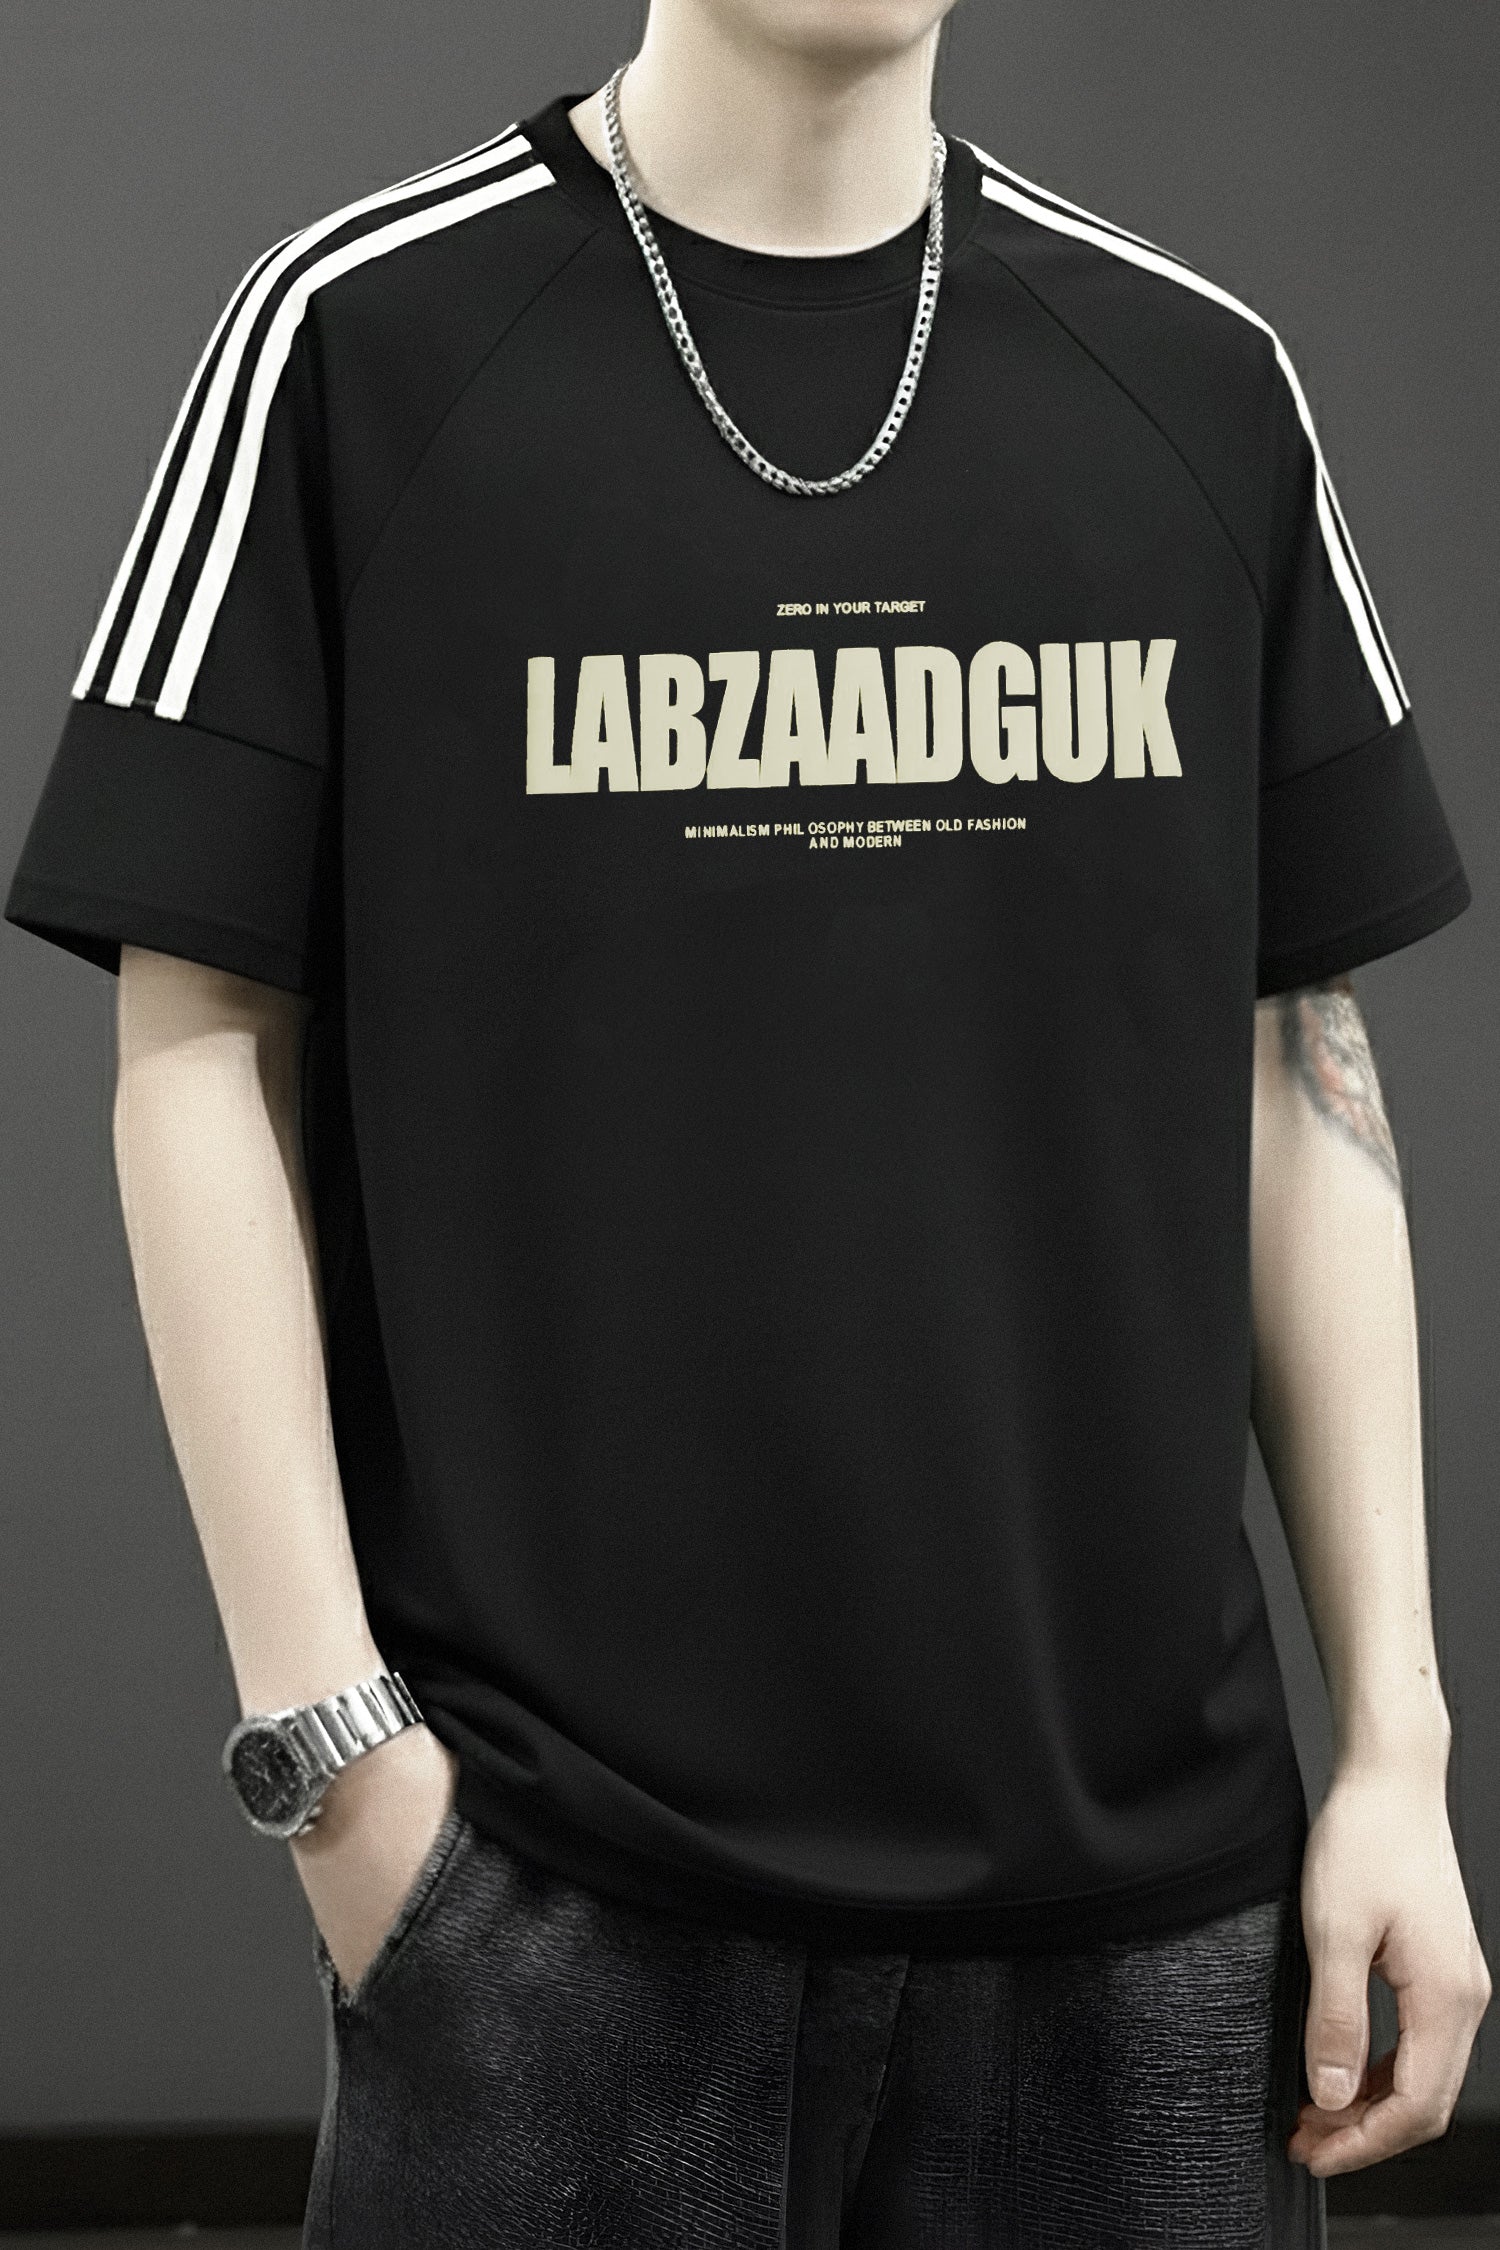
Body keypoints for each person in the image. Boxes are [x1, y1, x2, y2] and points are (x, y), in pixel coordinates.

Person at [5, 1, 1490, 2242]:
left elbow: (1298, 1068)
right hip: (551, 1912)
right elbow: (199, 1037)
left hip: (1150, 1940)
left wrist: (1395, 1747)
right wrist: (342, 1773)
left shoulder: (1198, 380)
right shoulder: (353, 342)